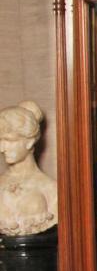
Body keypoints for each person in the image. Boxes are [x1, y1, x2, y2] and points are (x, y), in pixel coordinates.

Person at [0, 101, 58, 236]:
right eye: (0, 141)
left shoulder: (51, 189)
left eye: (10, 141)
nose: (2, 149)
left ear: (29, 141)